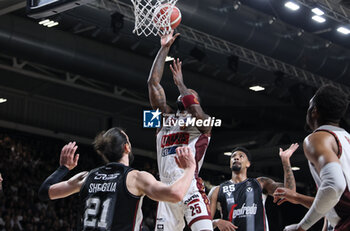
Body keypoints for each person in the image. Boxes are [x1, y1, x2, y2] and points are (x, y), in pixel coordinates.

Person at [38, 127, 196, 231]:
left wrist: (63, 168)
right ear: (126, 147)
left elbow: (45, 192)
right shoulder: (135, 177)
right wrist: (190, 168)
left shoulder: (86, 177)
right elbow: (175, 194)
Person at [147, 30, 213, 231]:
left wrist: (182, 85)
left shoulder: (204, 125)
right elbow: (153, 83)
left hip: (190, 185)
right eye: (185, 94)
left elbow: (193, 108)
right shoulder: (164, 119)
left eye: (191, 96)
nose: (186, 96)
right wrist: (164, 48)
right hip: (165, 189)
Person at [272, 85, 350, 231]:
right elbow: (333, 201)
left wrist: (302, 227)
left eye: (309, 106)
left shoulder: (318, 138)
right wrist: (296, 197)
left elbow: (334, 186)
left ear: (314, 111)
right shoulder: (346, 138)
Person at [209, 144, 299, 231]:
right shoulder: (217, 190)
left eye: (241, 156)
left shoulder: (260, 183)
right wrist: (216, 222)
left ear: (248, 164)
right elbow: (204, 222)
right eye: (233, 157)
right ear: (230, 164)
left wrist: (285, 161)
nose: (236, 158)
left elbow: (290, 192)